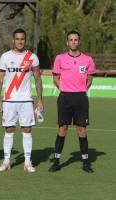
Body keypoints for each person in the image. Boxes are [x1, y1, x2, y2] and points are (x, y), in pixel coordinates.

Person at [0, 28, 43, 172]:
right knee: (9, 129)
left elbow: (38, 79)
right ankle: (7, 161)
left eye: (22, 39)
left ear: (25, 40)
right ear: (13, 40)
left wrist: (40, 99)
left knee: (27, 129)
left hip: (26, 100)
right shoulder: (5, 57)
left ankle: (27, 162)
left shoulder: (32, 57)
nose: (20, 41)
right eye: (17, 39)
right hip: (9, 100)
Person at [49, 30, 96, 173]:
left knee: (81, 130)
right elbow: (56, 77)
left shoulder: (87, 59)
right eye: (71, 40)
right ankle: (56, 161)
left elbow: (90, 78)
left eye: (76, 40)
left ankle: (86, 162)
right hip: (65, 98)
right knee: (62, 128)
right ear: (67, 42)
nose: (73, 42)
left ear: (79, 41)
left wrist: (82, 89)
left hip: (81, 98)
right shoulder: (60, 58)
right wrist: (64, 87)